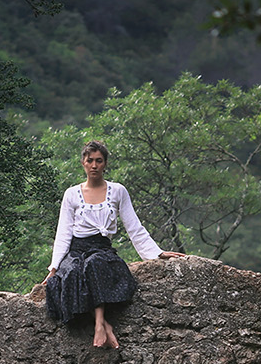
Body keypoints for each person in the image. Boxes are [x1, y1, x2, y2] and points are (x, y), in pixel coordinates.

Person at [31, 141, 184, 348]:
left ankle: (99, 326)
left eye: (99, 161)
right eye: (90, 160)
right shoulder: (71, 194)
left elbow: (134, 226)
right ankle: (103, 324)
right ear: (83, 163)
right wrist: (55, 266)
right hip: (76, 250)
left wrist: (156, 254)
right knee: (72, 274)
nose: (94, 165)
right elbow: (63, 233)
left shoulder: (118, 191)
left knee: (95, 265)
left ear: (105, 164)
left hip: (101, 249)